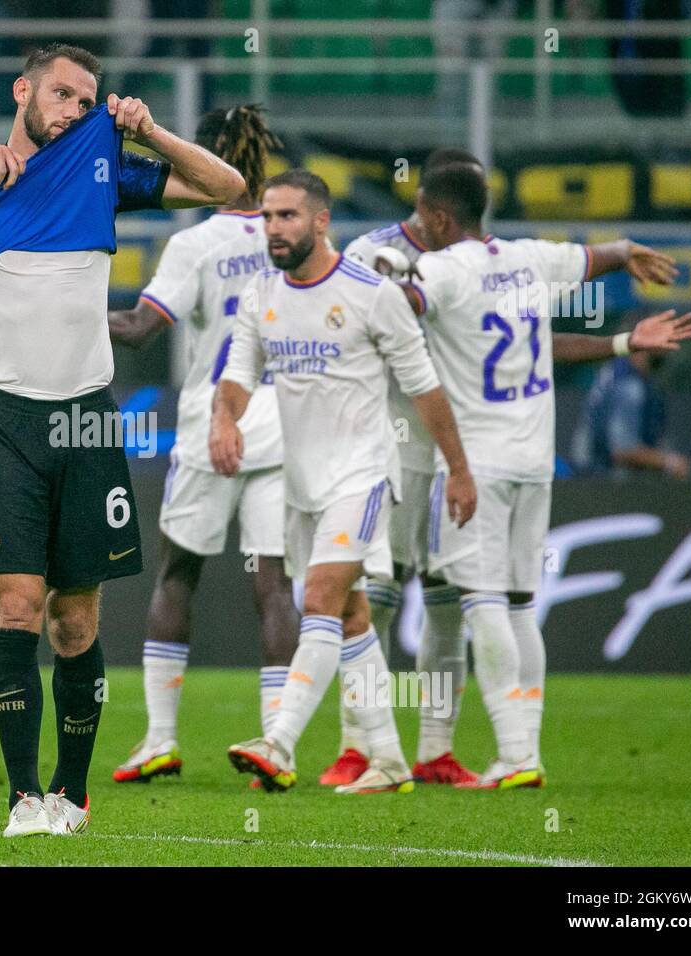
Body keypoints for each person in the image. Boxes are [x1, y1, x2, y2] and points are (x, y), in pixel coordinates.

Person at [0, 43, 245, 836]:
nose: (75, 111)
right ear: (22, 90)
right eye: (62, 94)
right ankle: (23, 797)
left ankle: (71, 792)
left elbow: (228, 188)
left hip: (87, 418)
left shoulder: (104, 172)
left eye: (87, 102)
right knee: (16, 604)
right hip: (3, 418)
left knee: (77, 619)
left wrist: (150, 132)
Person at [403, 162, 691, 788]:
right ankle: (521, 750)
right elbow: (602, 257)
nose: (415, 225)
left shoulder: (441, 270)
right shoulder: (530, 258)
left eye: (420, 213)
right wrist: (629, 261)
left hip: (474, 463)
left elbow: (398, 304)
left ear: (440, 217)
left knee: (481, 603)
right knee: (518, 606)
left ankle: (516, 754)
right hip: (534, 461)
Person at [213, 169, 478, 795]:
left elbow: (425, 388)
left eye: (287, 217)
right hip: (301, 483)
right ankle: (387, 760)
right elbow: (238, 372)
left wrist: (460, 471)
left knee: (323, 599)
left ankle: (278, 742)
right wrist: (224, 419)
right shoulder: (260, 294)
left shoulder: (371, 294)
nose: (273, 229)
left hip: (362, 476)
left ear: (321, 221)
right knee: (353, 618)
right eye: (267, 218)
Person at [107, 105, 298, 786]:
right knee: (274, 585)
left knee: (178, 572)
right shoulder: (289, 237)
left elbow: (137, 328)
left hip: (213, 421)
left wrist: (54, 312)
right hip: (284, 424)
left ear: (199, 159)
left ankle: (160, 738)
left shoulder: (196, 244)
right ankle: (278, 744)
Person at [334, 146, 488, 788]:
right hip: (392, 441)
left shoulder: (481, 258)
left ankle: (435, 750)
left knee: (450, 598)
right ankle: (357, 746)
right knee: (380, 592)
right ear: (426, 205)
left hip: (458, 444)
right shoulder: (369, 254)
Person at [570, 318, 691, 479]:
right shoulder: (629, 386)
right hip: (603, 483)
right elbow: (623, 450)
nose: (668, 345)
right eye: (661, 336)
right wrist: (669, 462)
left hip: (592, 479)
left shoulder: (620, 371)